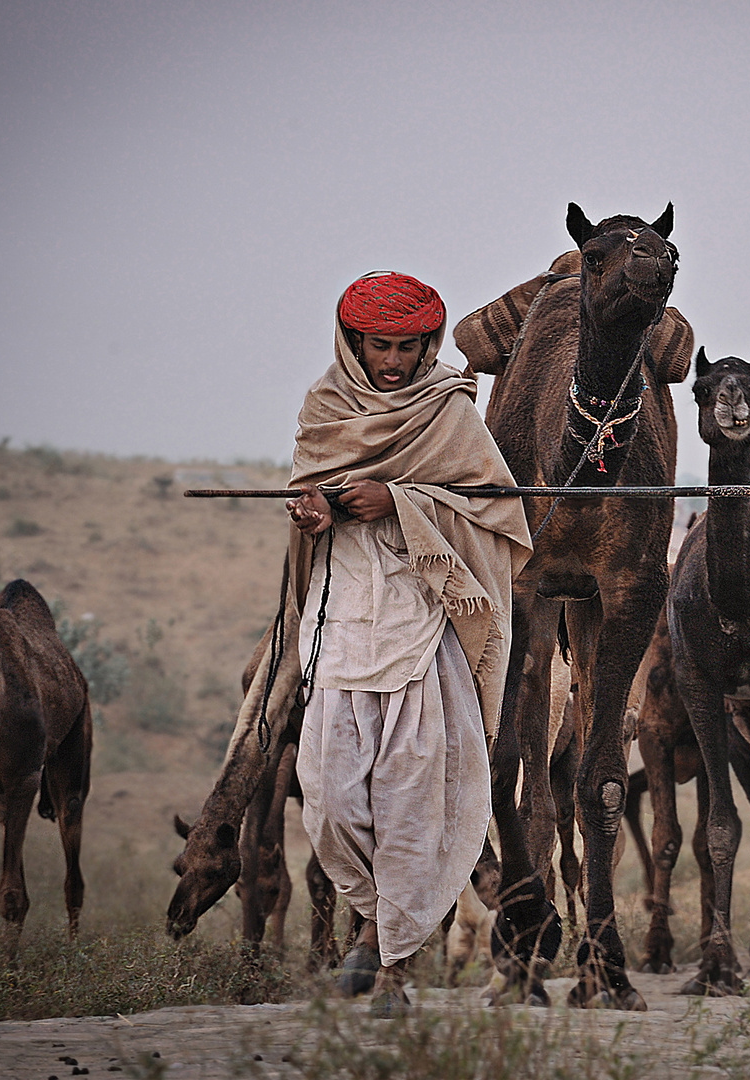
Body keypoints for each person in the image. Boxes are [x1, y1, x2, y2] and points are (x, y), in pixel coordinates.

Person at [285, 270, 531, 1014]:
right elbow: (307, 495)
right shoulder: (325, 407)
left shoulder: (448, 412)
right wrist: (315, 516)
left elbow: (497, 516)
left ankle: (392, 964)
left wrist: (398, 498)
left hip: (424, 632)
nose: (393, 362)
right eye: (379, 346)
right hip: (341, 623)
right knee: (329, 802)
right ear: (353, 341)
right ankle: (370, 919)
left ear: (427, 344)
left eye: (406, 346)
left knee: (410, 803)